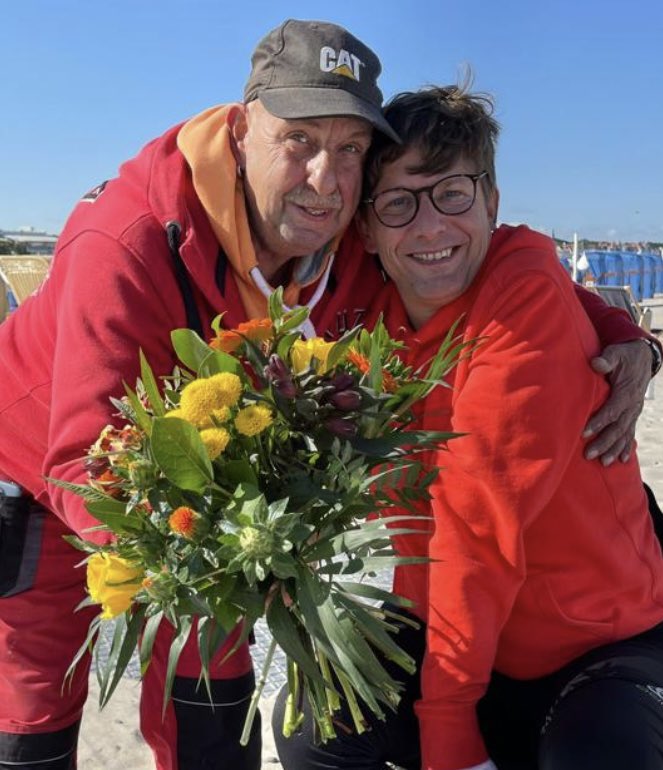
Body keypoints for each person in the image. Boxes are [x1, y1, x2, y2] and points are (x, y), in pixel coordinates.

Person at [0, 18, 656, 769]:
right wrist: (221, 561)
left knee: (216, 679)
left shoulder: (349, 227)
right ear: (244, 129)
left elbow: (488, 248)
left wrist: (620, 332)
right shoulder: (129, 241)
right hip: (43, 460)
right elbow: (84, 455)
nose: (326, 176)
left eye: (349, 149)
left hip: (198, 474)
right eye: (300, 141)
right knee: (34, 692)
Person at [272, 84, 663, 770]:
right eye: (397, 201)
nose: (428, 226)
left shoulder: (524, 297)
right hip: (454, 634)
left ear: (491, 201)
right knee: (315, 718)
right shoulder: (369, 313)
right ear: (365, 228)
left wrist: (450, 734)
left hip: (595, 644)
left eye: (451, 192)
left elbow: (475, 524)